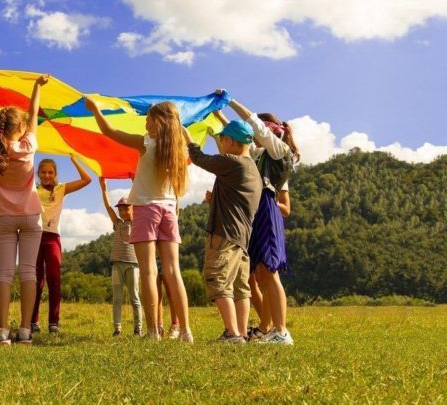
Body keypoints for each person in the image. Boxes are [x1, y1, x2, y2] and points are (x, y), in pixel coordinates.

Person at [85, 97, 192, 341]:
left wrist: (95, 110)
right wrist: (178, 126)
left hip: (145, 209)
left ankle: (153, 331)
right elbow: (183, 135)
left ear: (158, 122)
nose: (145, 121)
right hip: (168, 210)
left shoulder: (146, 143)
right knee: (174, 271)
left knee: (148, 272)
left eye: (149, 118)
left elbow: (109, 131)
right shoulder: (180, 150)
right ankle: (186, 330)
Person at [220, 92, 299, 345]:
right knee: (262, 274)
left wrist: (231, 102)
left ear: (269, 132)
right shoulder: (259, 154)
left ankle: (281, 331)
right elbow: (236, 137)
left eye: (258, 132)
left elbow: (252, 122)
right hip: (256, 210)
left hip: (267, 208)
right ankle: (272, 330)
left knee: (269, 273)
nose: (252, 137)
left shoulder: (279, 150)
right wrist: (216, 112)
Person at [0, 68, 48, 345]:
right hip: (31, 217)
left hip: (4, 219)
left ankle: (1, 330)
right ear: (21, 129)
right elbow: (34, 114)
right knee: (28, 272)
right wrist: (37, 86)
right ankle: (24, 330)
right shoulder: (29, 145)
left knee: (5, 273)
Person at [182, 119, 262, 343]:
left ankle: (232, 333)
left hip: (224, 233)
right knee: (240, 287)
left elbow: (199, 159)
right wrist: (214, 200)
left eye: (222, 139)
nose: (221, 143)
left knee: (218, 280)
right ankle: (242, 333)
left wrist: (189, 140)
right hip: (242, 238)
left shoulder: (233, 162)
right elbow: (237, 202)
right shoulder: (251, 168)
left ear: (230, 141)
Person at [30, 156, 92, 334]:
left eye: (50, 172)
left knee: (54, 279)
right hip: (34, 236)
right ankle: (33, 321)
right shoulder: (33, 189)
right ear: (38, 174)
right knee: (36, 281)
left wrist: (74, 160)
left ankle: (53, 322)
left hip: (52, 238)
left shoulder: (61, 189)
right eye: (43, 172)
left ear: (55, 173)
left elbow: (87, 180)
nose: (47, 175)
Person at [99, 178, 143, 337]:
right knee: (117, 299)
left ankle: (138, 329)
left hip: (133, 265)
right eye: (121, 210)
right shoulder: (117, 223)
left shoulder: (138, 222)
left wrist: (135, 182)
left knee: (134, 297)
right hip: (117, 265)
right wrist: (104, 188)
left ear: (133, 208)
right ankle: (117, 329)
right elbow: (108, 207)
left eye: (126, 208)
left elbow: (140, 199)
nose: (123, 212)